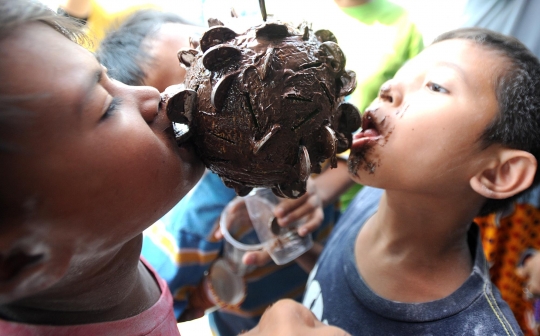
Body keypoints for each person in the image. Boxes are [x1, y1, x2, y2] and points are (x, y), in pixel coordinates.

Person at [96, 8, 338, 335]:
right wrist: (215, 288)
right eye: (191, 95)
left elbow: (345, 160)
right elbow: (170, 305)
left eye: (215, 49)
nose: (242, 80)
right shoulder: (193, 224)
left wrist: (322, 190)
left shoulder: (302, 116)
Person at [300, 27, 540, 335]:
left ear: (498, 174)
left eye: (436, 86)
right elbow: (343, 290)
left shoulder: (476, 329)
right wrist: (295, 245)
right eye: (401, 73)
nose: (388, 87)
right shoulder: (374, 198)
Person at [0, 1, 205, 334]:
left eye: (108, 79)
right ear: (21, 261)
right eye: (107, 108)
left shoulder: (109, 250)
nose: (153, 95)